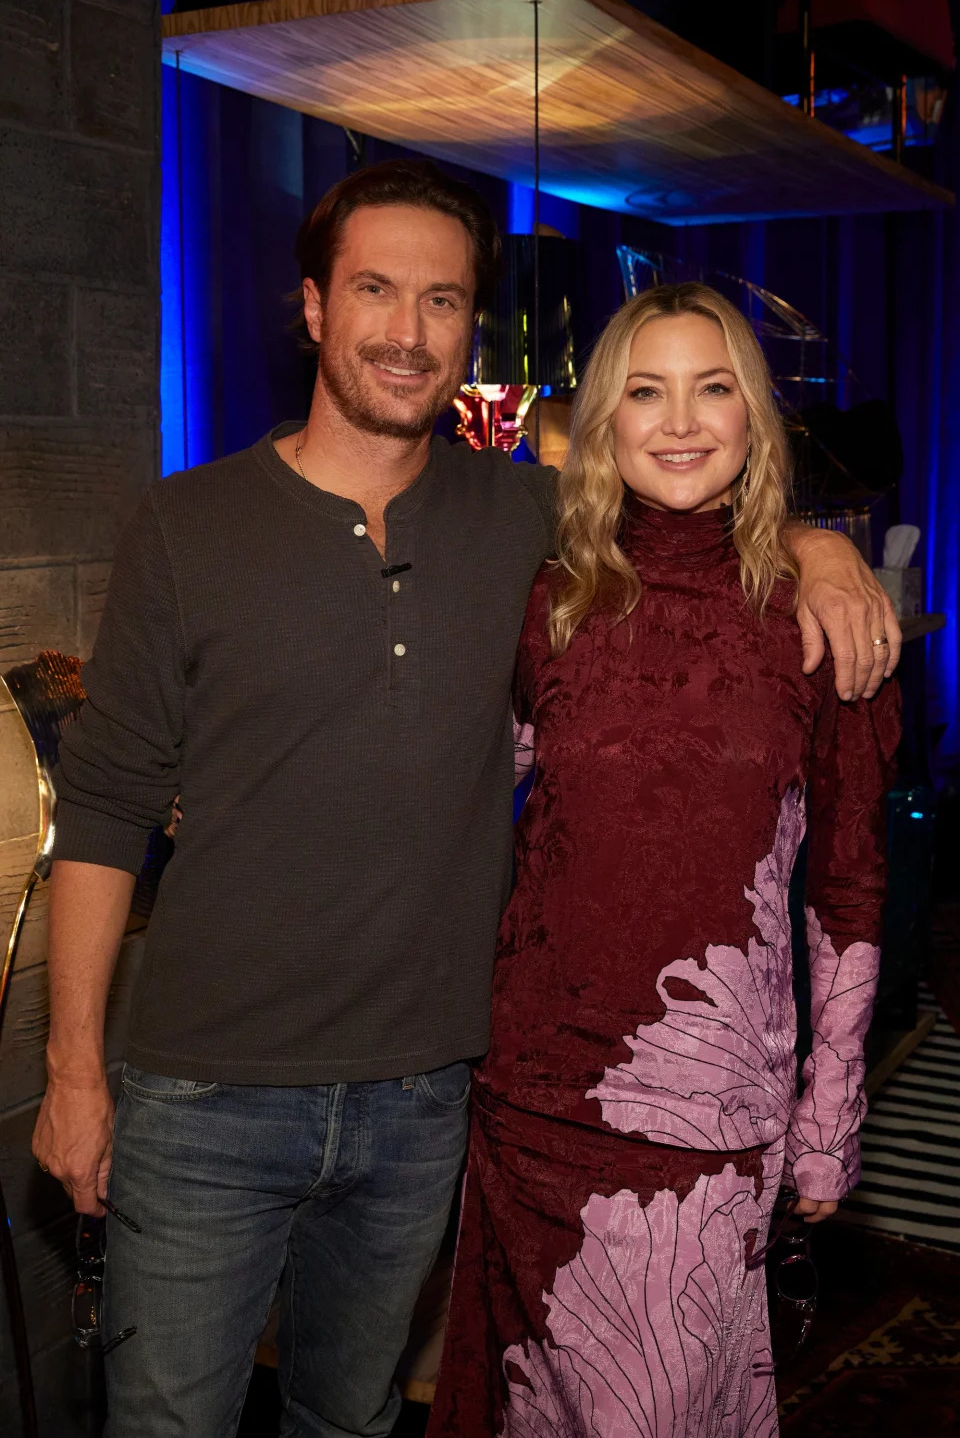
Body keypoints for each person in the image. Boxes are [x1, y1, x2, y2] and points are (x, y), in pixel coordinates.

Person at [31, 161, 899, 1438]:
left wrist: (826, 550)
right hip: (208, 1090)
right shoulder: (186, 525)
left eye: (443, 301)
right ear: (314, 307)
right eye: (376, 290)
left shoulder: (526, 521)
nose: (409, 330)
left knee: (356, 1416)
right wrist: (71, 1074)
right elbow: (105, 809)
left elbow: (692, 499)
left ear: (471, 334)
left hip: (429, 1094)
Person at [427, 282, 901, 1438]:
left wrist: (827, 1114)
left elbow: (847, 884)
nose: (680, 421)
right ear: (602, 423)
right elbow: (475, 819)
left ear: (755, 421)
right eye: (646, 390)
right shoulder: (548, 601)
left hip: (708, 1114)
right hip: (533, 1099)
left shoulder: (810, 614)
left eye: (713, 387)